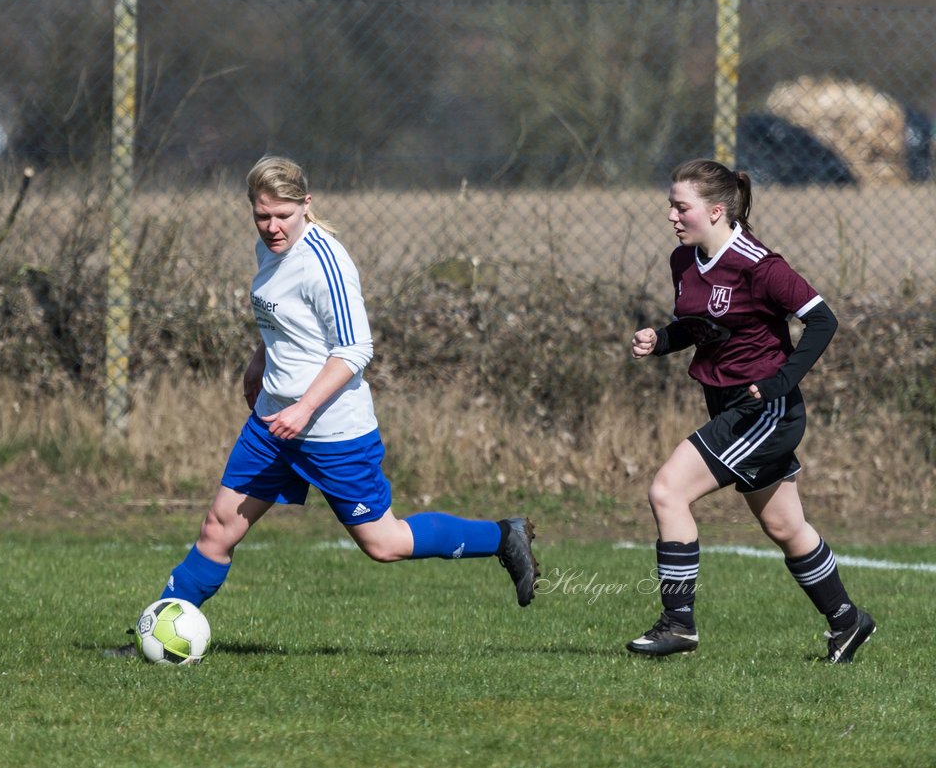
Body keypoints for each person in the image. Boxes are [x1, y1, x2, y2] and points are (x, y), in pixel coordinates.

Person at [109, 155, 538, 656]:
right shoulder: (268, 249)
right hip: (273, 420)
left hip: (330, 428)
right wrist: (258, 363)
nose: (272, 227)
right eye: (261, 215)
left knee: (385, 544)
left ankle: (502, 536)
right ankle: (154, 636)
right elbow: (287, 324)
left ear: (306, 205)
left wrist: (305, 408)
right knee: (217, 528)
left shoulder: (325, 262)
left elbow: (355, 349)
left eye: (283, 216)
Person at [626, 157, 874, 663]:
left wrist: (781, 379)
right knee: (785, 527)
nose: (672, 217)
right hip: (729, 403)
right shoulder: (685, 260)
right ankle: (849, 622)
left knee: (667, 491)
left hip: (765, 411)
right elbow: (706, 327)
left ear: (716, 211)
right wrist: (663, 340)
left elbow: (823, 321)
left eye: (681, 208)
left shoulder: (760, 266)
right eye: (670, 207)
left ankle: (678, 625)